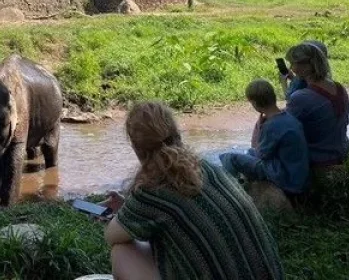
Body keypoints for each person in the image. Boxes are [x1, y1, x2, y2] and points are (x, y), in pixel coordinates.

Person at [103, 101, 283, 280]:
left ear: (136, 148)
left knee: (121, 252)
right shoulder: (206, 167)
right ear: (177, 134)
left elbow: (112, 235)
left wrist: (127, 214)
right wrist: (130, 208)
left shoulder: (151, 190)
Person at [220, 79, 309, 195]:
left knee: (229, 157)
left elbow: (262, 154)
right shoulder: (289, 117)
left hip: (286, 178)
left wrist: (260, 128)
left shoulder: (271, 125)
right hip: (296, 173)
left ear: (255, 104)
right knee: (250, 152)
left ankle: (233, 193)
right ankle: (243, 180)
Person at [285, 43, 349, 169]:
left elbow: (285, 130)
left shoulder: (301, 97)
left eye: (293, 63)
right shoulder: (339, 88)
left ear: (307, 66)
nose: (291, 68)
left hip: (318, 159)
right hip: (341, 152)